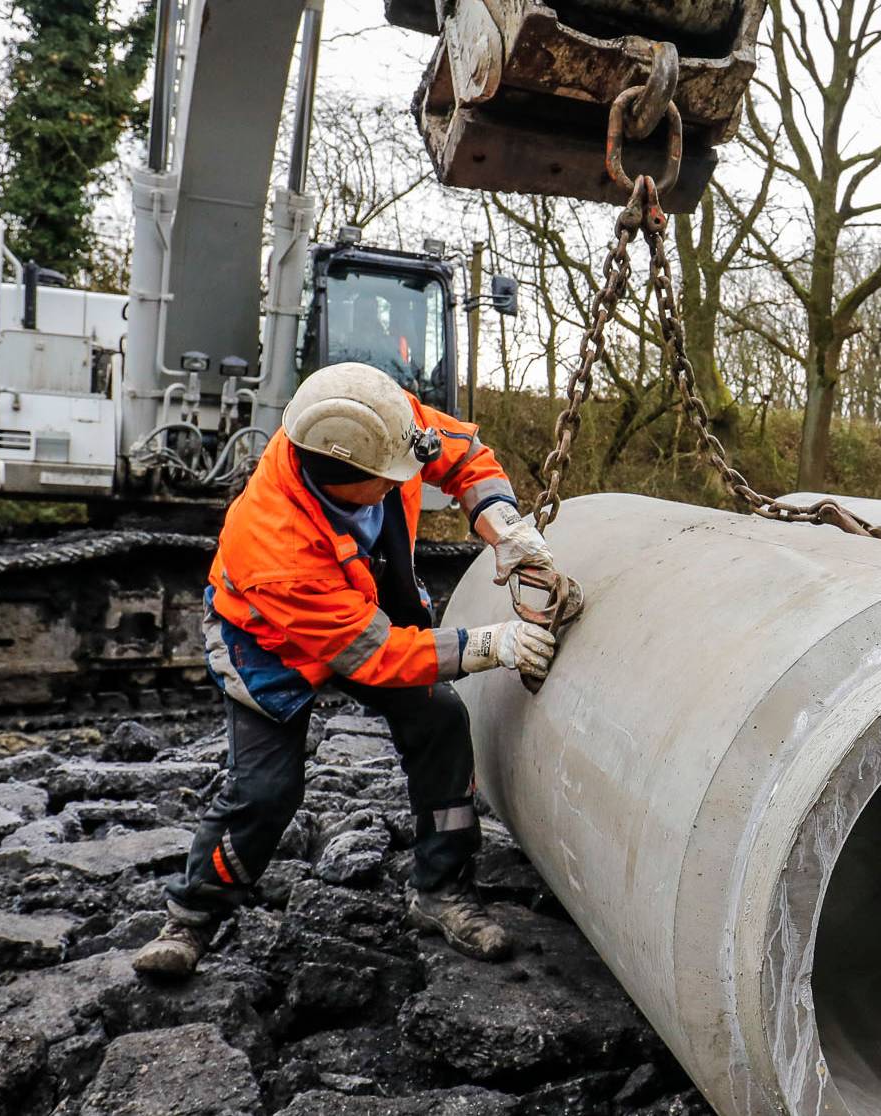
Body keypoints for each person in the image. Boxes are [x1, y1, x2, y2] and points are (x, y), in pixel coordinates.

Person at [133, 362, 566, 978]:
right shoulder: (275, 544)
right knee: (265, 791)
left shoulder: (377, 418)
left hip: (363, 596)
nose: (402, 482)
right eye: (386, 481)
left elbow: (463, 455)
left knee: (441, 722)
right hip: (268, 643)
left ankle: (441, 889)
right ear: (340, 477)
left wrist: (503, 524)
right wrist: (488, 645)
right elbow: (374, 655)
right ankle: (191, 917)